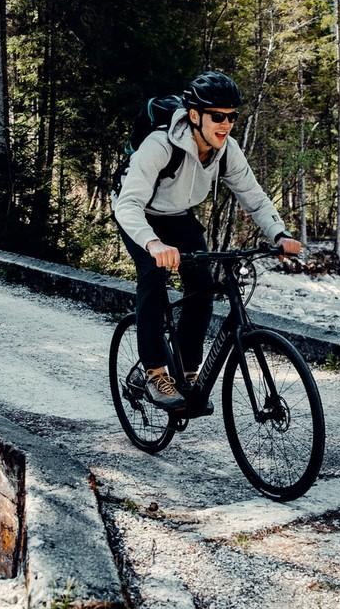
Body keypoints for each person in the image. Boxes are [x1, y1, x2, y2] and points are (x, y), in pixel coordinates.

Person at [112, 71, 302, 413]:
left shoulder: (226, 150)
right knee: (153, 278)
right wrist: (153, 244)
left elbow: (254, 196)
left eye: (232, 117)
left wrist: (279, 233)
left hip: (178, 214)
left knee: (202, 285)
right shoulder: (161, 145)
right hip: (138, 213)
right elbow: (128, 205)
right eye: (217, 116)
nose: (226, 124)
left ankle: (187, 370)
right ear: (195, 116)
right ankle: (155, 373)